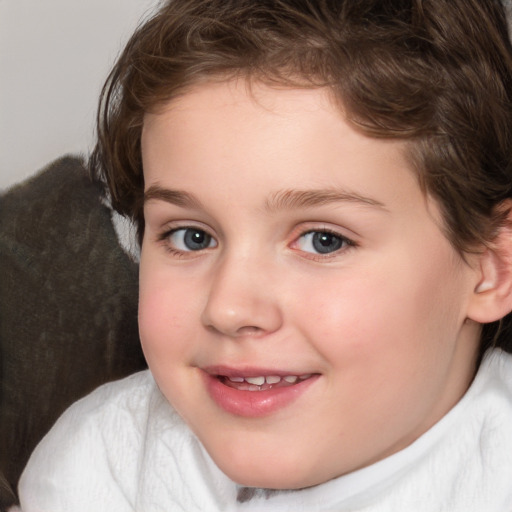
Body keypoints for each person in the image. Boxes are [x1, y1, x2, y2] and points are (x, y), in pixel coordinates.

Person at [18, 0, 512, 510]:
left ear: (492, 266)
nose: (229, 309)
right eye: (192, 236)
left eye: (324, 240)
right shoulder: (102, 463)